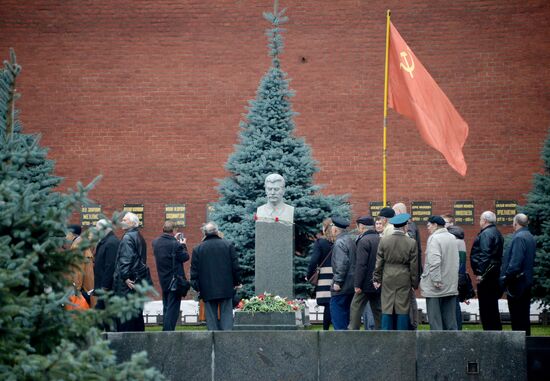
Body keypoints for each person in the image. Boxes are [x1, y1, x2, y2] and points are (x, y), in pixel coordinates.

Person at [191, 222, 240, 330]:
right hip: (226, 287)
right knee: (226, 316)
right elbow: (235, 266)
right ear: (217, 231)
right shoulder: (228, 245)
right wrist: (237, 282)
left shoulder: (198, 249)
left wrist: (197, 287)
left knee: (211, 320)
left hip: (207, 288)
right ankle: (226, 342)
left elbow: (194, 272)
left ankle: (213, 342)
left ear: (205, 233)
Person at [373, 213, 418, 330]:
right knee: (402, 306)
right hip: (404, 276)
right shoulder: (411, 242)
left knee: (387, 305)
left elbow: (378, 263)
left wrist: (377, 278)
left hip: (388, 275)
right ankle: (401, 335)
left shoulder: (384, 240)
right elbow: (414, 266)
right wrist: (414, 283)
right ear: (404, 227)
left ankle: (386, 333)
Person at [420, 216, 459, 330]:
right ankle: (452, 345)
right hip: (450, 283)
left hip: (436, 285)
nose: (427, 228)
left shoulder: (434, 238)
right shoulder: (452, 237)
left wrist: (436, 279)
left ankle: (437, 345)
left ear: (435, 225)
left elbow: (434, 261)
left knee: (435, 321)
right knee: (450, 320)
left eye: (429, 225)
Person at [500, 213, 536, 336]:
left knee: (517, 319)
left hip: (517, 284)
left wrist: (506, 278)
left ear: (516, 223)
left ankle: (519, 348)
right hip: (525, 281)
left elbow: (515, 262)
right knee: (524, 317)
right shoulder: (529, 236)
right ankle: (526, 344)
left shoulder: (519, 237)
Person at [113, 212, 148, 332]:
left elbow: (126, 259)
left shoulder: (128, 237)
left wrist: (125, 277)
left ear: (133, 223)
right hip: (137, 280)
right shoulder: (138, 236)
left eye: (125, 220)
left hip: (127, 284)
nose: (122, 222)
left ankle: (126, 346)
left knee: (126, 319)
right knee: (136, 316)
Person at [153, 221, 190, 331]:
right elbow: (185, 257)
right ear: (174, 230)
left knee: (166, 306)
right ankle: (168, 332)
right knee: (173, 308)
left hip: (163, 278)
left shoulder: (155, 242)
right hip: (175, 280)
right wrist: (183, 244)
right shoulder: (176, 244)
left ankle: (166, 329)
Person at [470, 210, 504, 331]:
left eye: (480, 219)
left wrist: (480, 273)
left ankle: (490, 332)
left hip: (487, 275)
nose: (479, 221)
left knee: (486, 306)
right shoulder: (496, 232)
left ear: (484, 220)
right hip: (493, 272)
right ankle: (494, 331)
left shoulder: (486, 234)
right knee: (492, 305)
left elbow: (485, 254)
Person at [393, 202, 422, 330]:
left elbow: (410, 250)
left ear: (399, 212)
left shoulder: (409, 227)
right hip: (409, 270)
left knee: (409, 300)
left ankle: (411, 324)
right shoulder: (412, 225)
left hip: (407, 271)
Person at [349, 216, 382, 330]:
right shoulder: (380, 238)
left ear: (362, 227)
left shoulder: (363, 241)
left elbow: (361, 264)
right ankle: (381, 332)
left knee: (355, 306)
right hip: (377, 281)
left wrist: (357, 284)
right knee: (377, 308)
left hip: (365, 283)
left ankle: (353, 331)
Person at [306, 218, 334, 330]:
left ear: (325, 228)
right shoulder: (338, 241)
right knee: (334, 302)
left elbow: (313, 261)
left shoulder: (320, 242)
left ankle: (326, 329)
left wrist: (309, 275)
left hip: (324, 276)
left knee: (327, 303)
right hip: (337, 275)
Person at [329, 216, 356, 330]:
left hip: (342, 286)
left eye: (331, 228)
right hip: (351, 284)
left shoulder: (339, 242)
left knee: (338, 314)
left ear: (335, 229)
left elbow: (342, 263)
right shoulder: (350, 240)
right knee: (346, 315)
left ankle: (340, 342)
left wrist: (337, 282)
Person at [443, 214, 468, 329]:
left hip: (454, 277)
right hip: (453, 276)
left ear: (451, 224)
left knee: (454, 305)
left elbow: (461, 262)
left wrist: (458, 278)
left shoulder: (456, 239)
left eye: (445, 223)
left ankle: (456, 329)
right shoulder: (454, 238)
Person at [66, 224, 95, 308]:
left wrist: (76, 288)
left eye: (67, 233)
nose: (65, 236)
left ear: (72, 234)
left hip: (82, 288)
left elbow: (77, 270)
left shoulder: (77, 246)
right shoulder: (80, 243)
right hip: (87, 286)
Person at [93, 219, 120, 311]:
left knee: (104, 314)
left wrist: (104, 286)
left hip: (107, 288)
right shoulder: (105, 242)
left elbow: (110, 266)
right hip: (102, 286)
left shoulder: (111, 243)